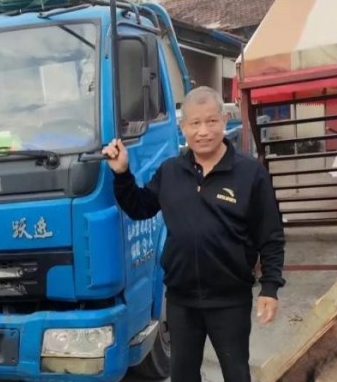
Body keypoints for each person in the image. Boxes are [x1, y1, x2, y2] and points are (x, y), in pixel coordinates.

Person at [102, 86, 285, 382]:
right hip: (181, 299)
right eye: (195, 123)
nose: (203, 131)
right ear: (182, 126)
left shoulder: (250, 173)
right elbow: (139, 207)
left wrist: (270, 288)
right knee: (183, 375)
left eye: (211, 121)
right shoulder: (171, 172)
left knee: (236, 373)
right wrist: (122, 174)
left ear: (224, 120)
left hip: (230, 299)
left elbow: (271, 235)